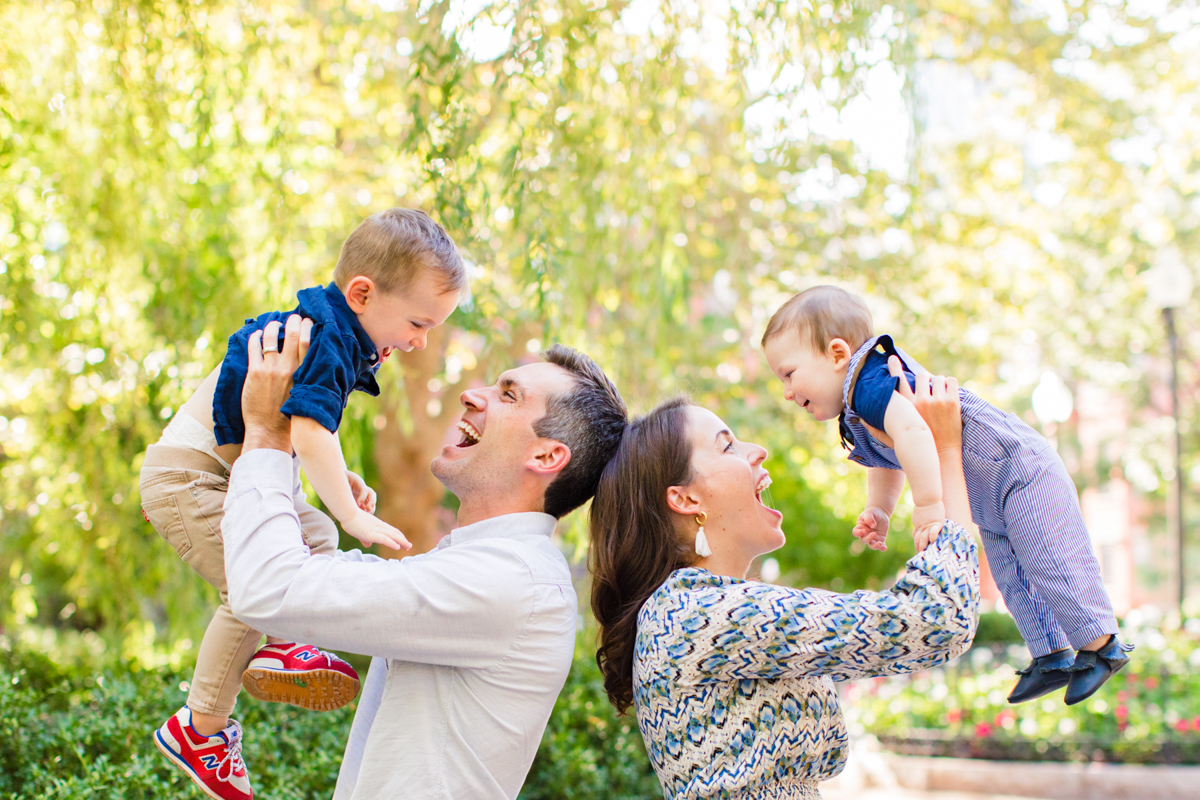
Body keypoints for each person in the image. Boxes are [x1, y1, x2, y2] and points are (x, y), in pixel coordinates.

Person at [221, 315, 628, 800]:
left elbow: (273, 588)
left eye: (508, 394)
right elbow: (309, 577)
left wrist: (268, 432)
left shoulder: (511, 581)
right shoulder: (479, 565)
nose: (472, 395)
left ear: (545, 458)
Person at [139, 209, 465, 800]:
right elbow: (311, 432)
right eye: (418, 323)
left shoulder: (324, 328)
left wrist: (343, 480)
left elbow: (299, 431)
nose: (420, 341)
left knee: (310, 538)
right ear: (362, 293)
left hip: (213, 478)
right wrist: (352, 511)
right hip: (195, 483)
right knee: (254, 584)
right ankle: (199, 728)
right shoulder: (327, 340)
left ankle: (287, 642)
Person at [589, 367, 979, 800]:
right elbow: (935, 619)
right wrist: (945, 451)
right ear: (685, 499)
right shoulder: (699, 614)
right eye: (728, 446)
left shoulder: (697, 609)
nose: (758, 450)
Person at [760, 285, 1132, 708]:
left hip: (1018, 468)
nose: (787, 392)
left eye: (789, 374)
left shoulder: (870, 381)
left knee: (1051, 559)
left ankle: (1102, 647)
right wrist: (879, 509)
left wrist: (929, 507)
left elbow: (915, 434)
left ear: (838, 353)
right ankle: (1051, 655)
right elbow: (890, 457)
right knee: (1013, 574)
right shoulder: (856, 406)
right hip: (989, 494)